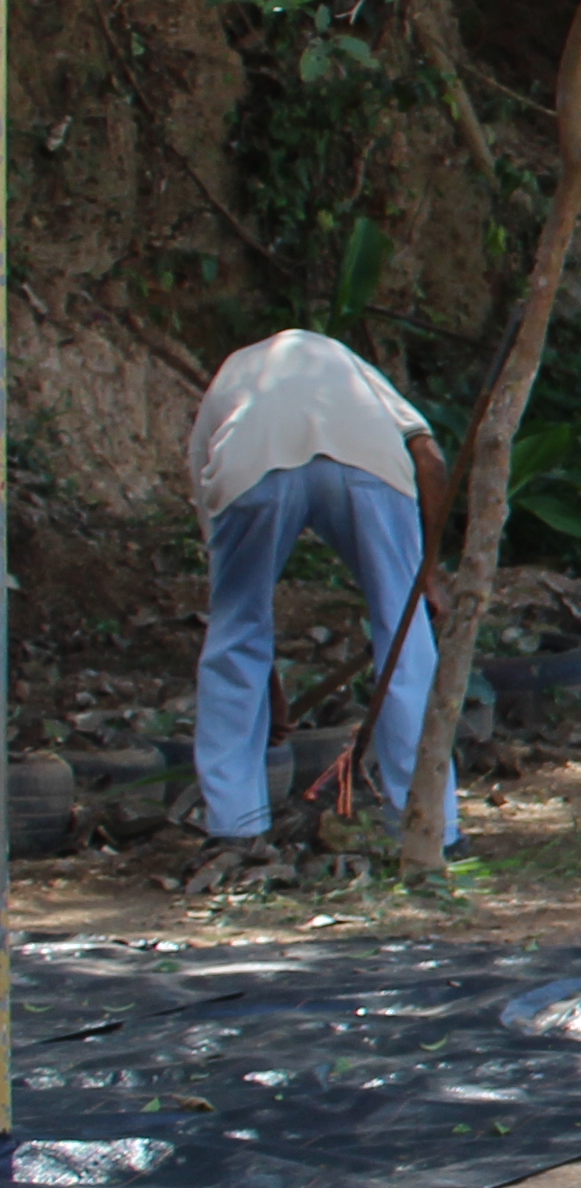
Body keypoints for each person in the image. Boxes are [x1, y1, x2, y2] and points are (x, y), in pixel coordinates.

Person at [183, 329, 458, 873]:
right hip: (368, 466)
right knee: (405, 634)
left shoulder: (229, 383)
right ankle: (431, 827)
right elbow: (427, 455)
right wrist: (426, 573)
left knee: (234, 633)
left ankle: (234, 829)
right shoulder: (350, 367)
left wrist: (269, 685)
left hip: (251, 470)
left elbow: (238, 612)